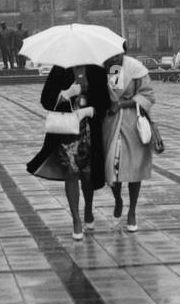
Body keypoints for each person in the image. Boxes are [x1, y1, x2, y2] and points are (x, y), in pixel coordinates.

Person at [26, 63, 110, 240]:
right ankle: (76, 220)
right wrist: (66, 94)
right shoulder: (60, 69)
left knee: (87, 174)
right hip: (66, 132)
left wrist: (89, 110)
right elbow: (46, 99)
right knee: (71, 172)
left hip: (89, 130)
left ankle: (88, 208)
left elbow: (105, 102)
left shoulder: (96, 69)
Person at [102, 51, 156, 231]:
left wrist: (124, 104)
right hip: (112, 123)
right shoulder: (111, 68)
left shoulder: (135, 68)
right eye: (112, 56)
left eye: (118, 55)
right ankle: (118, 199)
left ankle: (132, 211)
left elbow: (148, 95)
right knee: (112, 166)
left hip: (132, 122)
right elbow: (110, 97)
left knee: (134, 167)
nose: (114, 58)